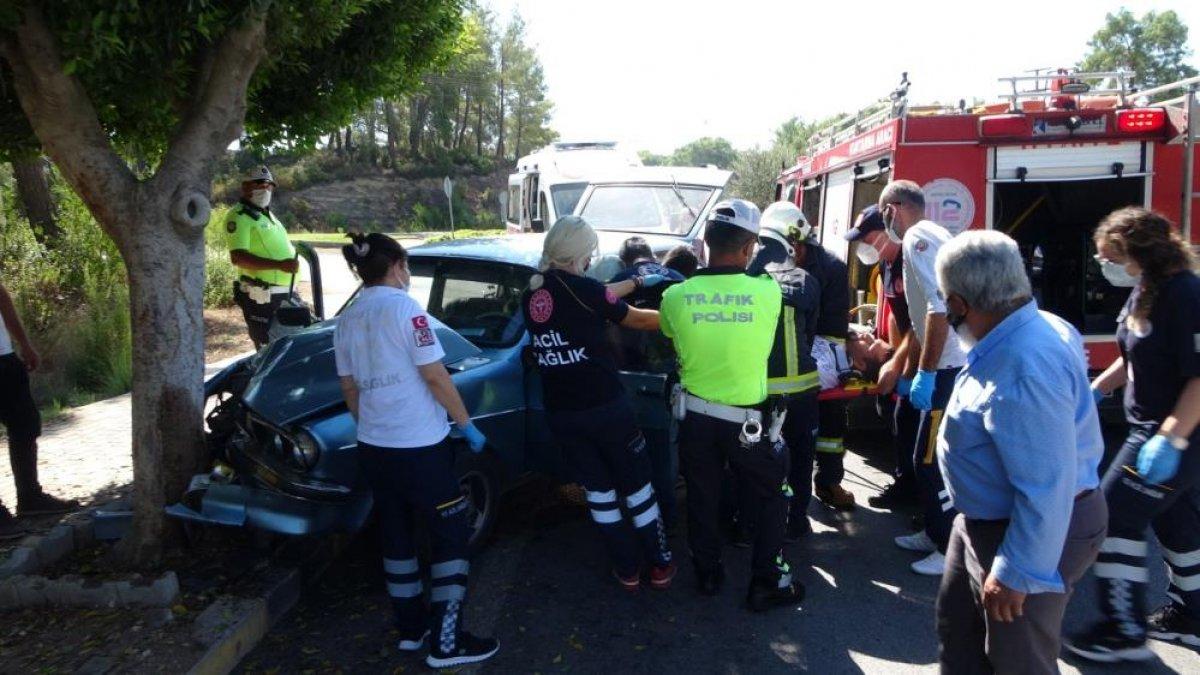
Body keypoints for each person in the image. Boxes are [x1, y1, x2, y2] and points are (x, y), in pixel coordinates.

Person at [933, 230, 1106, 674]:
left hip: (1027, 530)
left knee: (1018, 661)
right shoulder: (1031, 327)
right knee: (960, 637)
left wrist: (1017, 570)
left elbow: (1047, 484)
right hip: (986, 520)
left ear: (958, 303)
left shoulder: (1024, 365)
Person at [334, 233, 498, 668]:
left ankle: (412, 630)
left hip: (375, 448)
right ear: (398, 265)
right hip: (420, 449)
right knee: (451, 536)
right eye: (405, 266)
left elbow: (349, 387)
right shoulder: (407, 309)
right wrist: (466, 424)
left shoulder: (349, 318)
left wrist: (371, 424)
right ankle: (447, 643)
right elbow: (436, 376)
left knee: (397, 536)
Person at [1067, 207, 1200, 661]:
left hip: (1173, 432)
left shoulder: (1185, 294)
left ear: (1141, 253)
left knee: (1113, 516)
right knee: (1177, 524)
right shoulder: (1148, 289)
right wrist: (1095, 391)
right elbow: (1135, 351)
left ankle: (1121, 630)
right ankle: (1191, 616)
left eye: (1113, 258)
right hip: (1152, 424)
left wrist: (1172, 439)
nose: (1108, 267)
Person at [659, 199, 804, 611]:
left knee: (702, 496)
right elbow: (755, 280)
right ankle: (767, 578)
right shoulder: (766, 291)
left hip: (695, 421)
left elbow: (668, 331)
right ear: (749, 247)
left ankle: (708, 573)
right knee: (775, 492)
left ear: (705, 242)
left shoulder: (676, 295)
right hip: (746, 426)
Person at [522, 216, 676, 592]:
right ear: (581, 253)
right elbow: (638, 320)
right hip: (606, 409)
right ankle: (659, 566)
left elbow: (597, 293)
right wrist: (680, 318)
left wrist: (637, 282)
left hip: (562, 413)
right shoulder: (587, 291)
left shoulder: (533, 293)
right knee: (638, 488)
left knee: (600, 495)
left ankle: (627, 570)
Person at [878, 180, 967, 576]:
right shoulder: (931, 235)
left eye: (884, 213)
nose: (885, 222)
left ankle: (949, 546)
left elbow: (938, 309)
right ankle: (935, 532)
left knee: (930, 460)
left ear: (894, 208)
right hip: (946, 367)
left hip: (948, 369)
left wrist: (927, 373)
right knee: (926, 457)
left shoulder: (917, 237)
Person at [754, 201, 822, 541]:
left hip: (756, 392)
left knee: (756, 457)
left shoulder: (745, 280)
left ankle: (755, 520)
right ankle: (796, 520)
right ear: (793, 243)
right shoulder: (806, 281)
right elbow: (808, 336)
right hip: (801, 393)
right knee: (799, 459)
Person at [844, 205, 918, 509]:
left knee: (918, 436)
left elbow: (922, 322)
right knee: (899, 423)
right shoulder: (887, 267)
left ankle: (926, 506)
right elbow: (895, 316)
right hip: (905, 357)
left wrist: (899, 365)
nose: (864, 245)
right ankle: (906, 486)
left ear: (887, 232)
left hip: (923, 361)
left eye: (868, 237)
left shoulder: (910, 262)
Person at [0, 282, 79, 540]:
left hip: (4, 357)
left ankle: (30, 497)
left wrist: (24, 343)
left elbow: (1, 294)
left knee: (26, 424)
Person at [790, 208, 855, 511]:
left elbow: (832, 325)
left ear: (800, 244)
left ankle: (829, 481)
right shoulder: (773, 264)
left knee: (830, 421)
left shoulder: (831, 267)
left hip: (821, 347)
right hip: (794, 347)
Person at [226, 165, 301, 348]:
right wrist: (279, 265)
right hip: (264, 298)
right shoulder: (239, 216)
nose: (265, 189)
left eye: (269, 185)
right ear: (245, 187)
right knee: (277, 351)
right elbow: (238, 257)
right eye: (259, 184)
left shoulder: (266, 213)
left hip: (284, 293)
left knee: (291, 346)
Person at [607, 236, 685, 309]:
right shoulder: (678, 276)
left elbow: (601, 297)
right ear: (653, 257)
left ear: (623, 263)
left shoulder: (621, 280)